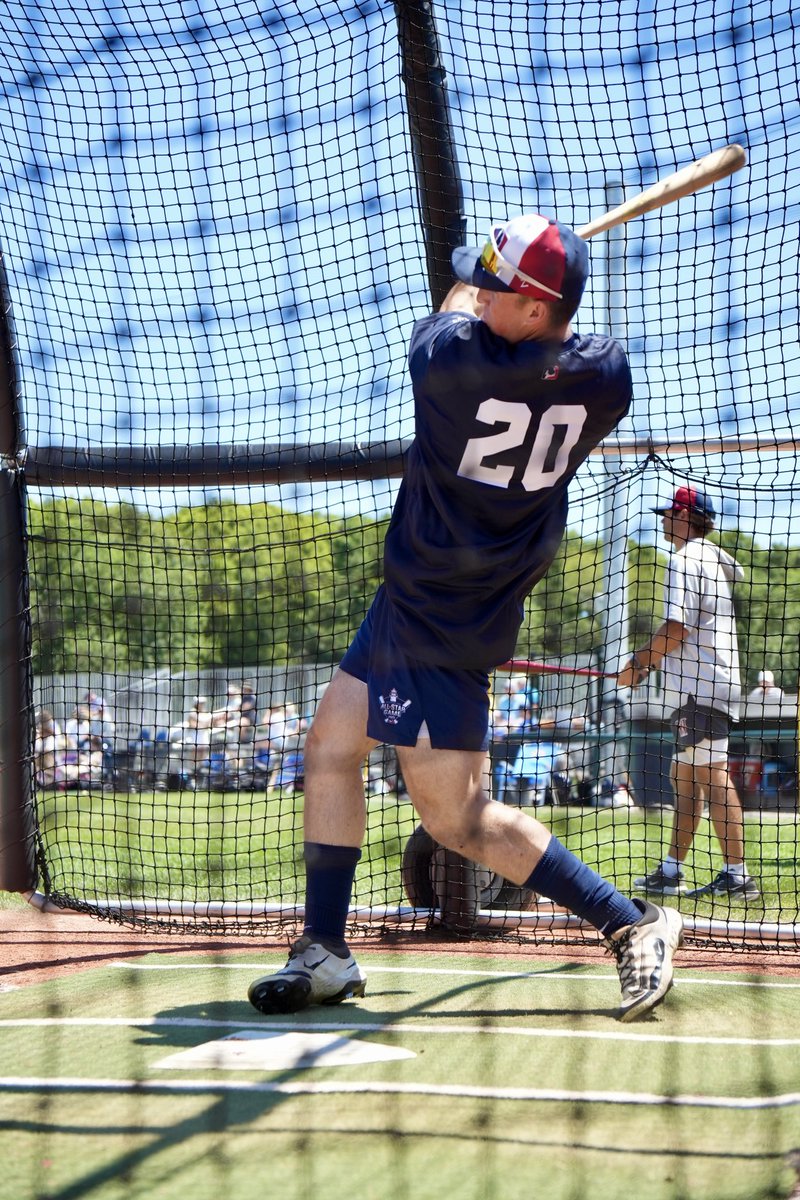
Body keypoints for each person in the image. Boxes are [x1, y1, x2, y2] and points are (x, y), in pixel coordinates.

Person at [248, 213, 683, 1023]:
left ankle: (634, 926)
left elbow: (451, 310)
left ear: (532, 311)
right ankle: (324, 949)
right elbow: (542, 337)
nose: (481, 296)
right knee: (331, 748)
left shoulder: (449, 364)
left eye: (498, 292)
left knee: (458, 819)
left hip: (438, 615)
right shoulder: (607, 378)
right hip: (437, 597)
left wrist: (485, 286)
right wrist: (530, 288)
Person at [618, 485, 757, 900]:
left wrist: (639, 664)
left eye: (667, 513)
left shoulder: (683, 559)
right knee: (684, 776)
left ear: (683, 516)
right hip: (704, 685)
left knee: (711, 775)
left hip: (701, 687)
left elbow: (677, 629)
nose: (661, 520)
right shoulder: (708, 557)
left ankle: (737, 875)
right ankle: (672, 869)